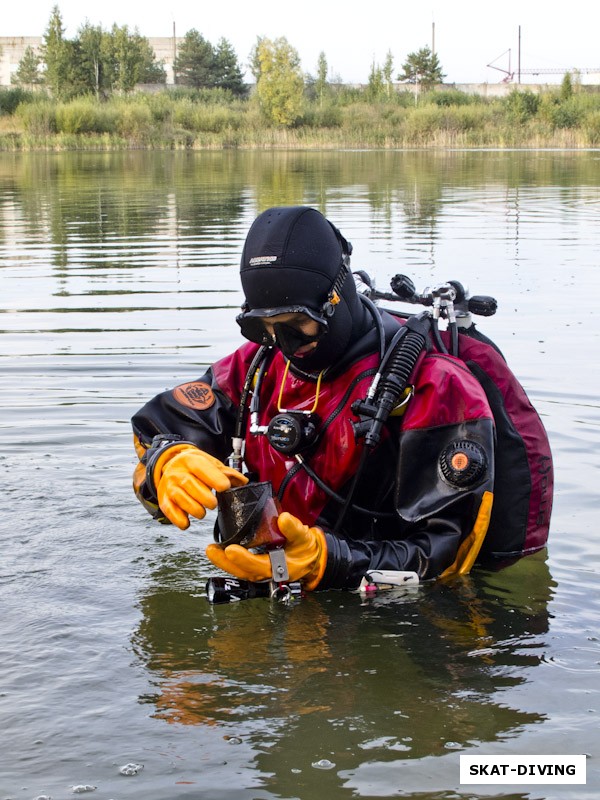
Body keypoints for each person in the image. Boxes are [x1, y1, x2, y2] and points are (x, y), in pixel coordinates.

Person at [131, 205, 549, 592]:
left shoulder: (434, 387)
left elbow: (447, 554)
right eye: (264, 329)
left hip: (387, 615)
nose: (286, 344)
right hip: (276, 582)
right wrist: (167, 457)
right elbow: (161, 425)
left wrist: (325, 562)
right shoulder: (255, 368)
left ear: (337, 295)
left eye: (299, 324)